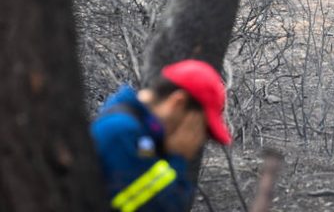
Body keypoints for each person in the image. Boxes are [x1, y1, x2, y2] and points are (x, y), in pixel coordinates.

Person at [91, 59, 231, 212]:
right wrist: (177, 156)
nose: (199, 141)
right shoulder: (122, 133)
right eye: (203, 128)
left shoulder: (143, 136)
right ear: (178, 103)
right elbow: (161, 207)